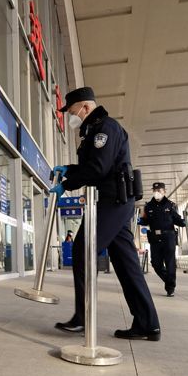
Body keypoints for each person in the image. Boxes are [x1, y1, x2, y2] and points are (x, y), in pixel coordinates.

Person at [51, 87, 161, 341]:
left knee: (82, 250)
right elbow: (95, 166)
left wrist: (67, 182)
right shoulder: (93, 129)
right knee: (126, 264)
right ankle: (148, 324)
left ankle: (82, 317)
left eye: (71, 110)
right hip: (116, 201)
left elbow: (98, 169)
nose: (70, 115)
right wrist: (69, 169)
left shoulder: (104, 129)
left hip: (113, 201)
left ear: (85, 107)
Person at [140, 182, 187, 297]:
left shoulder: (170, 205)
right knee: (155, 263)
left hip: (168, 238)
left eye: (159, 191)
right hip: (155, 239)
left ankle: (170, 288)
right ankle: (169, 280)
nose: (157, 193)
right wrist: (138, 219)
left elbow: (176, 219)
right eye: (155, 191)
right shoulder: (148, 206)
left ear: (164, 191)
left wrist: (183, 222)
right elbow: (145, 221)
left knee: (170, 263)